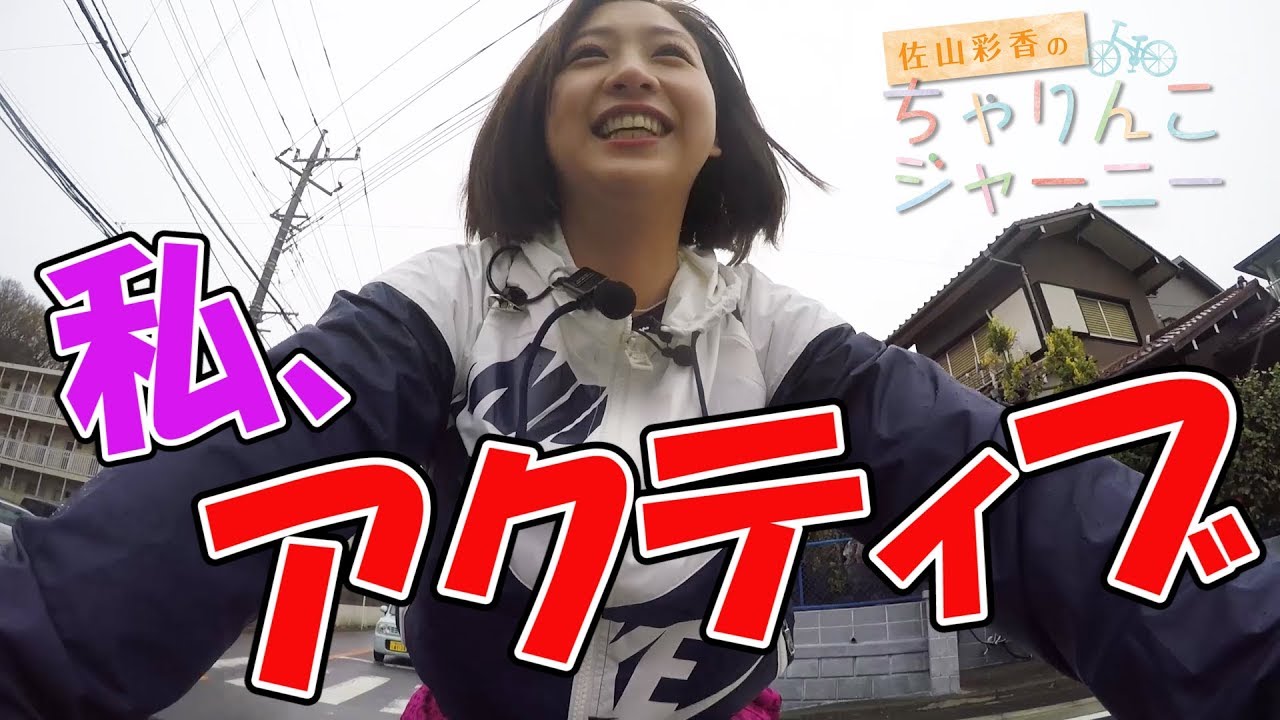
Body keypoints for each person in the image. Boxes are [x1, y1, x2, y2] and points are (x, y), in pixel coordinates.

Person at [2, 1, 1278, 718]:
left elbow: (1001, 489)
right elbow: (239, 468)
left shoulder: (780, 337)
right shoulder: (436, 307)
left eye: (671, 53)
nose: (630, 70)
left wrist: (1233, 649)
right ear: (538, 119)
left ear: (716, 131)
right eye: (589, 52)